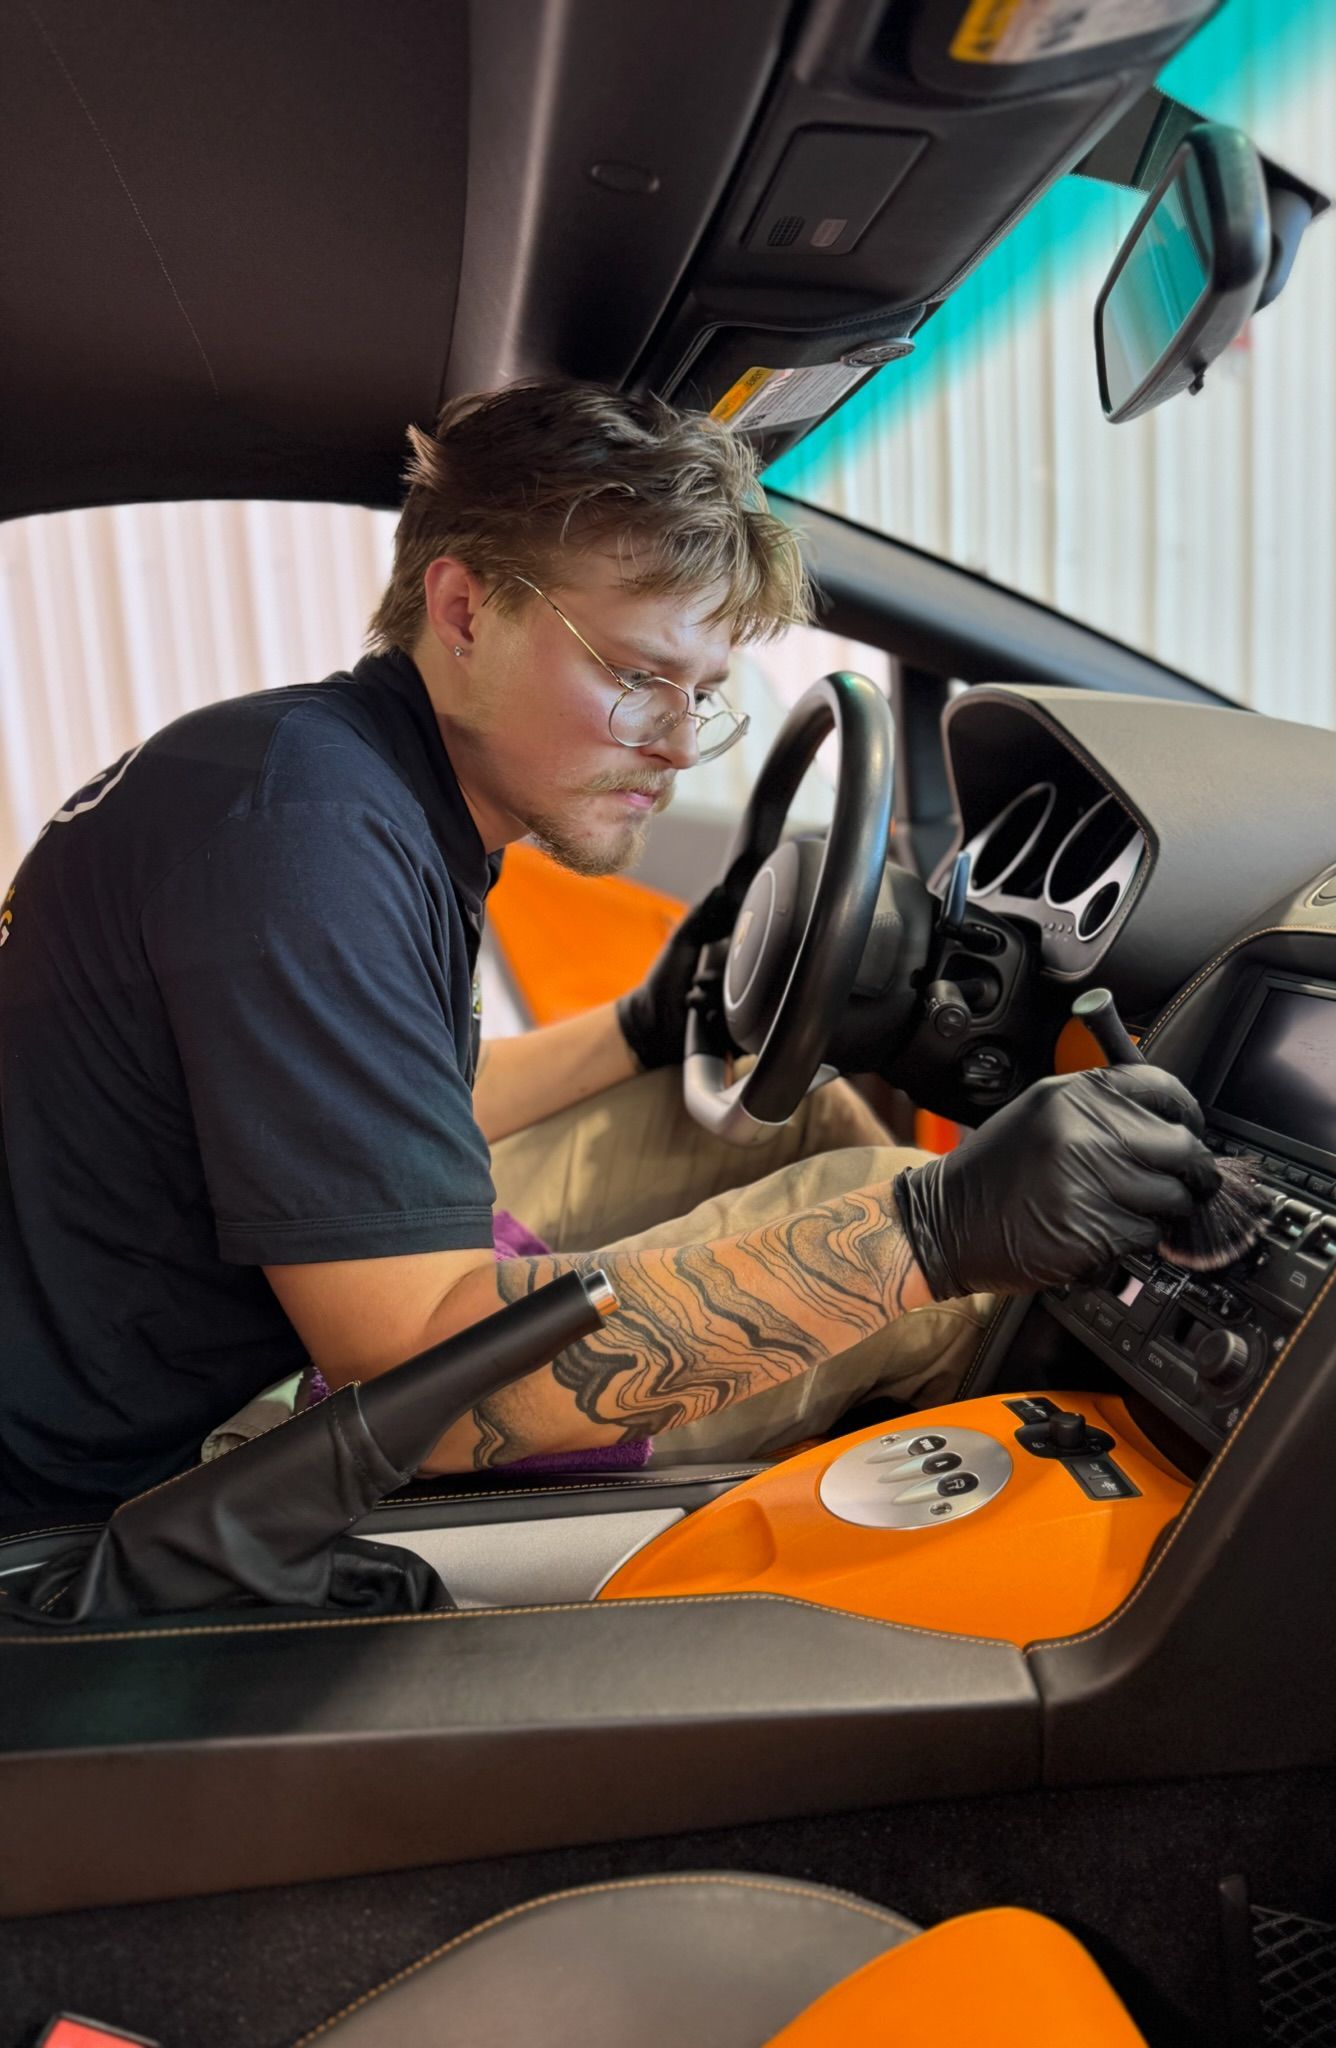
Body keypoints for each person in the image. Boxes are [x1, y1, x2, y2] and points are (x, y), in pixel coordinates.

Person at [0, 380, 1217, 1514]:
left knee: (792, 1123)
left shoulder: (330, 777)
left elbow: (357, 1117)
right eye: (640, 677)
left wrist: (647, 1025)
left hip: (227, 1317)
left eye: (704, 693)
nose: (682, 744)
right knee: (903, 1243)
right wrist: (934, 1237)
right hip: (151, 1477)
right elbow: (415, 1372)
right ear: (465, 608)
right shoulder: (310, 845)